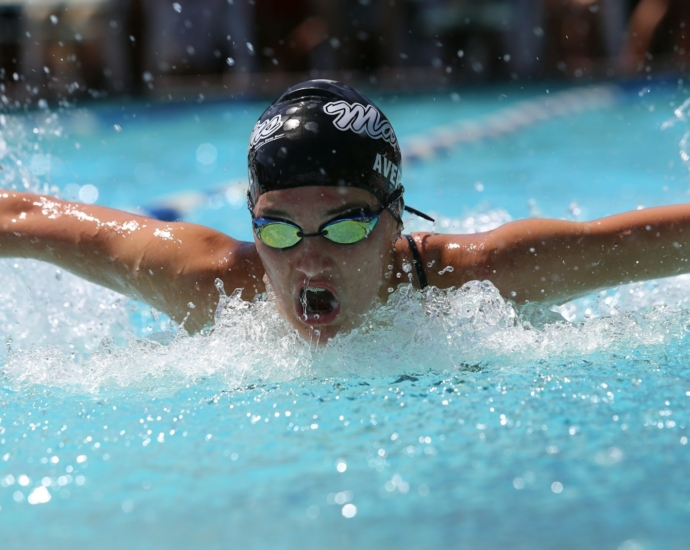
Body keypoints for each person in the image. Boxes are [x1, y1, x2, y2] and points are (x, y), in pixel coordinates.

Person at [2, 79, 690, 342]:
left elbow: (651, 242)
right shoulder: (214, 286)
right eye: (276, 227)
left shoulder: (481, 279)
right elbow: (27, 220)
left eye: (345, 223)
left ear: (397, 219)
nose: (309, 257)